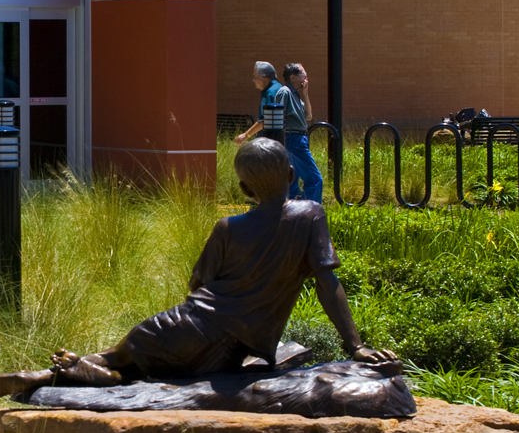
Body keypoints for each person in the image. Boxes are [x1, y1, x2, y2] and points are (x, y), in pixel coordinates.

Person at [52, 138, 390, 384]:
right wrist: (355, 347)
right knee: (127, 366)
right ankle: (70, 373)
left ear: (243, 188)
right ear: (290, 173)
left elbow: (197, 285)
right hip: (234, 348)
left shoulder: (228, 227)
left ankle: (56, 374)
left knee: (118, 356)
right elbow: (327, 283)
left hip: (192, 326)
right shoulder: (310, 215)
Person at [282, 61, 325, 203]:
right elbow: (277, 113)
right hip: (293, 139)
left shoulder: (295, 95)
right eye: (303, 75)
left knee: (292, 182)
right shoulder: (285, 92)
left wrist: (305, 95)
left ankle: (293, 214)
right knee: (314, 180)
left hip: (299, 138)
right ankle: (310, 213)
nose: (306, 79)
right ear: (293, 77)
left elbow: (308, 115)